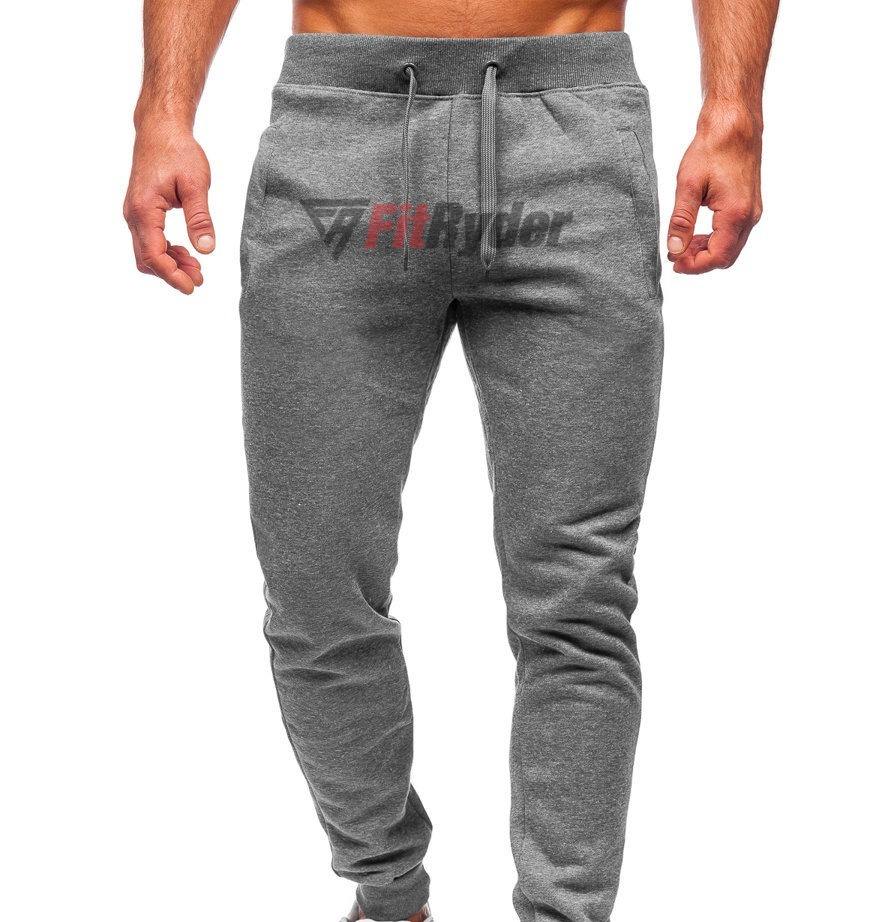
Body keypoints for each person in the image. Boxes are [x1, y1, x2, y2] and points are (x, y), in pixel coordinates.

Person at [123, 2, 778, 920]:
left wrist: (733, 112)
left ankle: (563, 912)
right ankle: (389, 894)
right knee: (313, 595)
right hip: (340, 136)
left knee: (577, 598)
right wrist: (162, 114)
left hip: (572, 133)